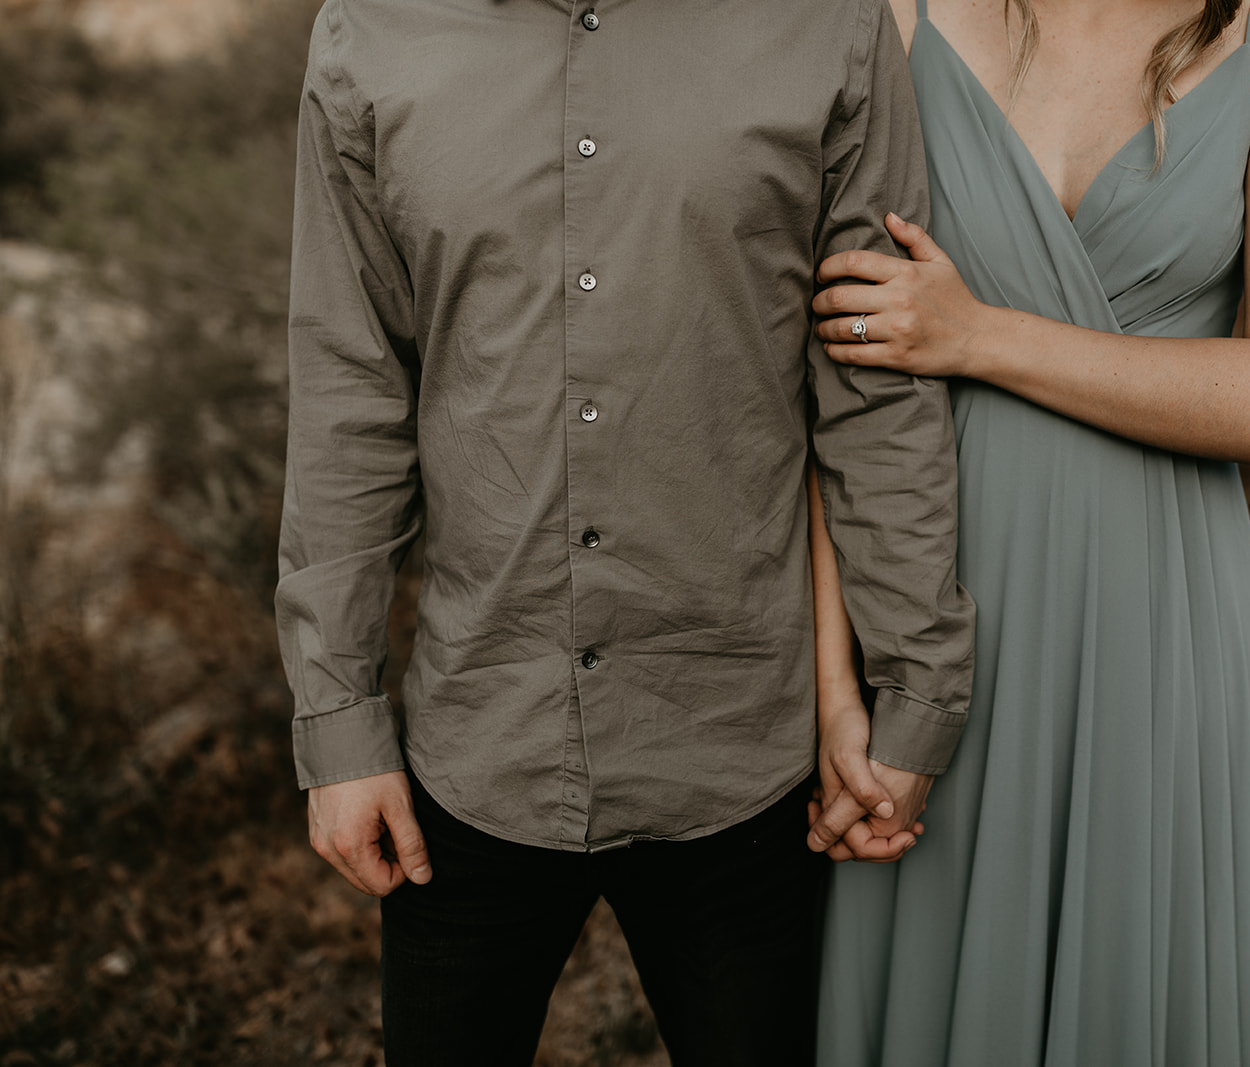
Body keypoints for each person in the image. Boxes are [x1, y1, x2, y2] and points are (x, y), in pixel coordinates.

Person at [274, 1, 975, 1063]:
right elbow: (350, 394)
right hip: (470, 750)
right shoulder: (372, 32)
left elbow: (875, 392)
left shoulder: (827, 25)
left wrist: (912, 697)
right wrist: (337, 721)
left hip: (748, 754)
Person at [804, 0, 1250, 1062]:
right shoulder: (898, 13)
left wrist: (980, 336)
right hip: (926, 612)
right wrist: (835, 686)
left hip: (1152, 626)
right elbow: (835, 384)